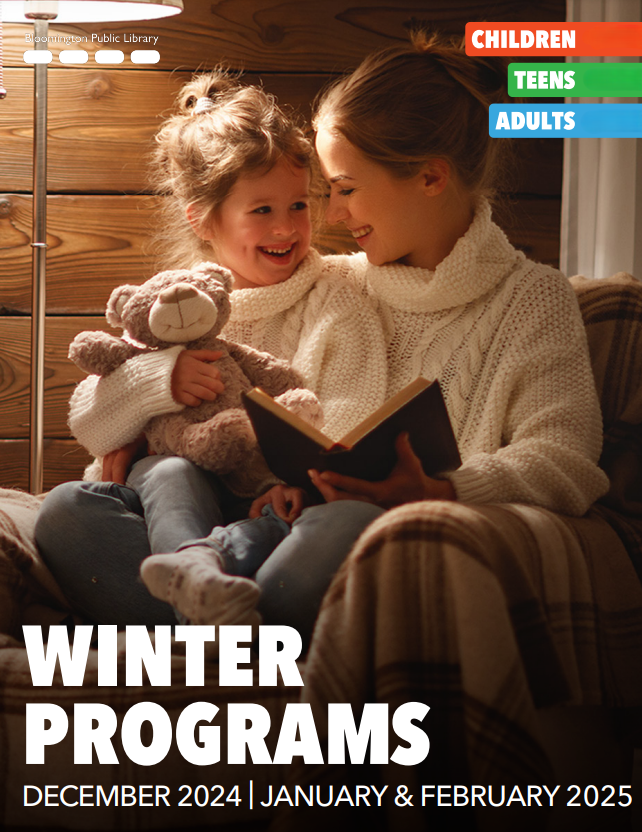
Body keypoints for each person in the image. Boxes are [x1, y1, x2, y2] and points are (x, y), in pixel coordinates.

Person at [37, 32, 609, 644]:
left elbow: (565, 460)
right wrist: (140, 414)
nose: (331, 217)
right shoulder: (333, 280)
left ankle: (209, 638)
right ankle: (223, 630)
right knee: (68, 514)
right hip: (255, 520)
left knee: (349, 530)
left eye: (345, 189)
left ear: (430, 178)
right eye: (329, 192)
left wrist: (444, 489)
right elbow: (125, 403)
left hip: (335, 534)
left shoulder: (530, 298)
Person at [34, 71, 387, 629]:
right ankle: (223, 616)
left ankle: (204, 625)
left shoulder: (337, 303)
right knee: (64, 512)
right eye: (262, 210)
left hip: (276, 517)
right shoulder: (174, 304)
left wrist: (295, 483)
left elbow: (345, 420)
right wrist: (157, 381)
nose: (288, 227)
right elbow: (92, 424)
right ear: (203, 217)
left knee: (348, 526)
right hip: (171, 512)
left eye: (299, 205)